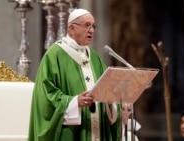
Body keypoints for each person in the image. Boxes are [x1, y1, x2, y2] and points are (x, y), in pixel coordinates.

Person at [28, 8, 121, 141]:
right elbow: (45, 97)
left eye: (93, 26)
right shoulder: (54, 55)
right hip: (70, 134)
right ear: (71, 28)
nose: (92, 30)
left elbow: (107, 88)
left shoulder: (94, 57)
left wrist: (113, 101)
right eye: (86, 25)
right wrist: (73, 102)